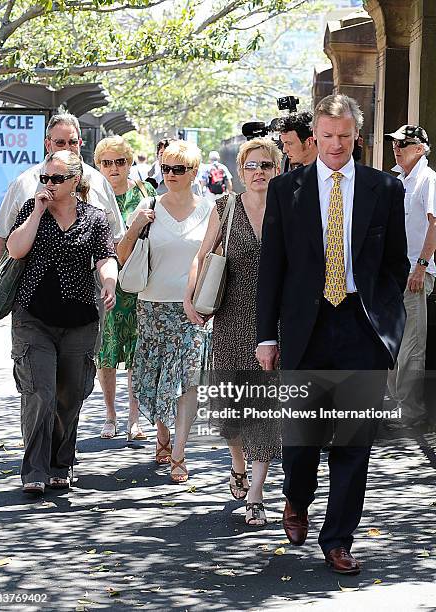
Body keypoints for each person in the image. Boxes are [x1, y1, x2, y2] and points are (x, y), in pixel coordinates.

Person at [256, 94, 409, 574]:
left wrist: (388, 326)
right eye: (327, 136)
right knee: (301, 440)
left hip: (361, 329)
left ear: (356, 137)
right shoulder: (287, 189)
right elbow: (272, 269)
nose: (336, 144)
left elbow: (395, 265)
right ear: (314, 137)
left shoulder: (385, 189)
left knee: (353, 442)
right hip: (307, 327)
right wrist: (266, 335)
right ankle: (297, 497)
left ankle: (338, 539)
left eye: (344, 136)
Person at [7, 150, 118, 494]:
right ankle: (35, 471)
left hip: (80, 318)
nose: (50, 185)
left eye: (57, 179)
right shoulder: (32, 209)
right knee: (40, 392)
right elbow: (15, 249)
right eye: (46, 178)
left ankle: (61, 462)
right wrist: (38, 211)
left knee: (71, 395)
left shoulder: (95, 218)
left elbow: (106, 257)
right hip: (33, 316)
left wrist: (109, 281)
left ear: (75, 181)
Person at [184, 138, 282, 525]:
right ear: (240, 172)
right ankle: (237, 465)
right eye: (252, 166)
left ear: (278, 170)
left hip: (275, 322)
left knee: (266, 405)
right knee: (231, 410)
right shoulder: (225, 208)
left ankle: (256, 491)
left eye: (267, 165)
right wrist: (191, 297)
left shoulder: (288, 209)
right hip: (231, 319)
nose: (260, 172)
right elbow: (203, 255)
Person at [117, 140, 212, 482]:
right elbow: (123, 255)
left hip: (193, 310)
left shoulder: (211, 209)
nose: (170, 175)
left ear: (193, 173)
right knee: (157, 377)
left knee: (188, 378)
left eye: (179, 169)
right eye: (166, 169)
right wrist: (134, 227)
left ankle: (180, 452)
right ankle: (162, 436)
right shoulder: (148, 206)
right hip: (152, 306)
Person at [0, 113, 124, 271]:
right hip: (34, 287)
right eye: (60, 143)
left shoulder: (99, 182)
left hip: (89, 288)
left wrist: (108, 281)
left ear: (80, 143)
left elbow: (115, 239)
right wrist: (0, 287)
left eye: (73, 142)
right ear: (48, 144)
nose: (67, 148)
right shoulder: (25, 184)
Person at [94, 136, 157, 440]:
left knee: (135, 349)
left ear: (130, 163)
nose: (114, 168)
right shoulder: (91, 196)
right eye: (107, 162)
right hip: (103, 283)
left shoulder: (146, 193)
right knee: (106, 349)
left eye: (121, 161)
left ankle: (134, 417)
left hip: (138, 283)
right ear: (99, 165)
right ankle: (109, 414)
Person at [384, 124, 436, 429]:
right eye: (394, 142)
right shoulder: (402, 180)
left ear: (420, 148)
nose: (396, 147)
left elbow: (434, 224)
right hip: (396, 273)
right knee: (394, 341)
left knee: (412, 344)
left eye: (403, 143)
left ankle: (411, 411)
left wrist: (420, 266)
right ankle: (398, 405)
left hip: (414, 272)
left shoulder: (428, 180)